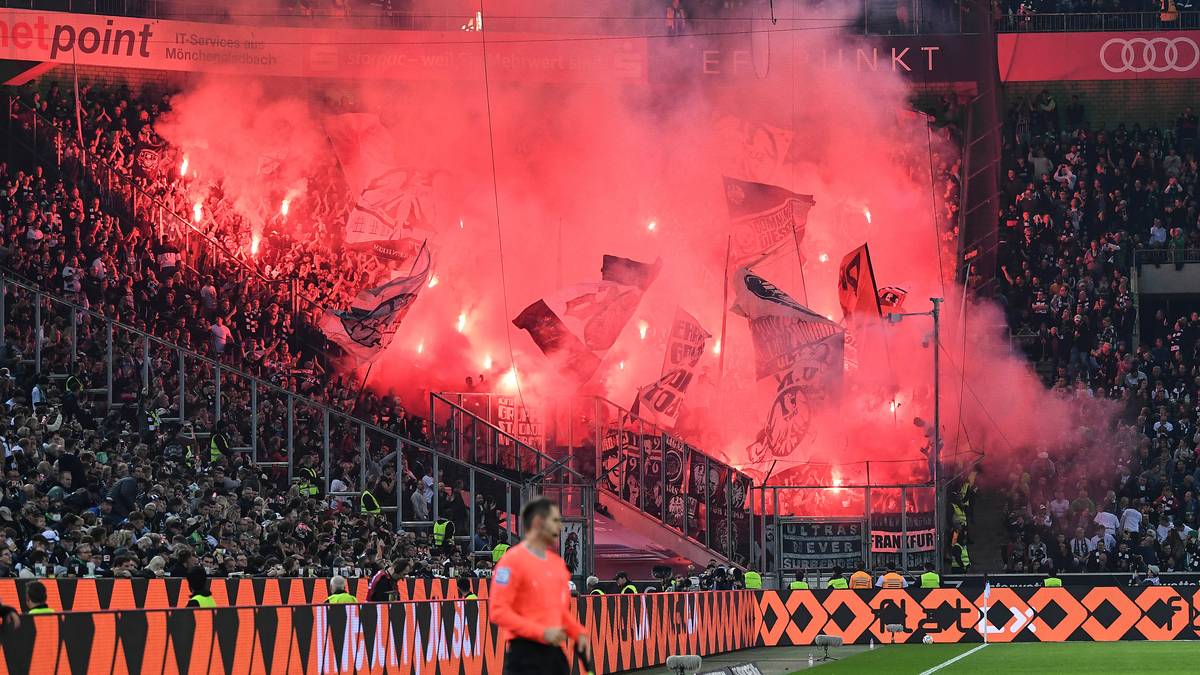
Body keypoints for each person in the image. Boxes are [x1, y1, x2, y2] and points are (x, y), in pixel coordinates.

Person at [489, 497, 591, 675]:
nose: (560, 527)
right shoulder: (511, 562)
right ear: (538, 522)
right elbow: (498, 611)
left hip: (554, 655)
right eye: (555, 520)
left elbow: (559, 611)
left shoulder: (557, 565)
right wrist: (541, 632)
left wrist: (578, 632)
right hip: (525, 657)